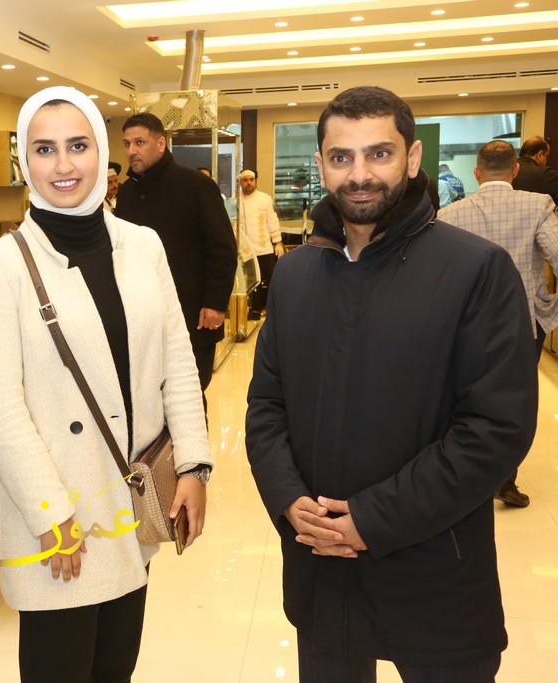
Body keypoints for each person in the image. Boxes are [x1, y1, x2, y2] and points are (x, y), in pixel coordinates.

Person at [246, 85, 537, 681]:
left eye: (378, 154)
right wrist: (288, 499)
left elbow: (495, 430)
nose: (360, 175)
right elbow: (267, 406)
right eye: (341, 157)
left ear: (412, 157)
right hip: (322, 573)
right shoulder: (296, 275)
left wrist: (371, 519)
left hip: (434, 576)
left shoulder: (476, 269)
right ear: (321, 164)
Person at [0, 86, 212, 683]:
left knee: (115, 668)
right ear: (25, 161)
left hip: (130, 502)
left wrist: (194, 465)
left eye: (78, 145)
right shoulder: (0, 265)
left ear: (102, 153)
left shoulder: (143, 245)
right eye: (44, 149)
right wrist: (50, 512)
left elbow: (178, 363)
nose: (64, 164)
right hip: (58, 516)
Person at [439, 139, 558, 508]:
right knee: (514, 402)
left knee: (465, 395)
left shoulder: (450, 215)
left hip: (468, 322)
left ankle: (466, 476)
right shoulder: (538, 205)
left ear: (477, 174)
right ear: (515, 170)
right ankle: (505, 479)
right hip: (524, 321)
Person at [116, 112, 237, 401]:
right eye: (127, 144)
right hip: (143, 316)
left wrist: (214, 302)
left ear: (161, 143)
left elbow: (222, 248)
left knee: (189, 395)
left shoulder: (195, 185)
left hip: (193, 313)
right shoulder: (127, 192)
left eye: (139, 142)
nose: (132, 150)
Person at [237, 169, 284, 319]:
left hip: (264, 247)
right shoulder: (235, 201)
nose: (249, 183)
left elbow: (272, 221)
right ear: (240, 182)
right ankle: (254, 311)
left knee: (273, 279)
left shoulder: (265, 199)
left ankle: (276, 309)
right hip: (245, 250)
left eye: (251, 179)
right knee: (251, 282)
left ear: (256, 181)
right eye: (245, 180)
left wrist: (278, 242)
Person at [512, 136, 558, 203]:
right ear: (539, 155)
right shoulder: (544, 173)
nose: (546, 161)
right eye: (546, 156)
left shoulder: (508, 169)